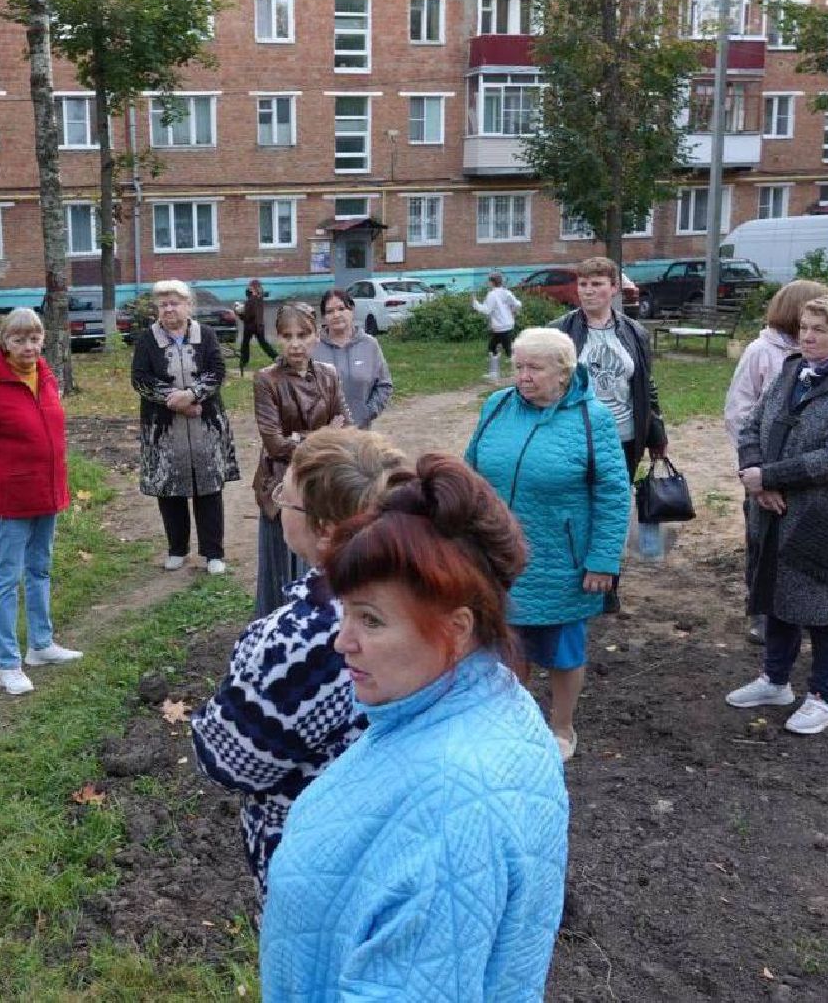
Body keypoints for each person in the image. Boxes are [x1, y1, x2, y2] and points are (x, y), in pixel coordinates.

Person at [260, 454, 567, 1000]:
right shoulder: (481, 704)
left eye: (371, 620)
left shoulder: (453, 798)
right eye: (346, 613)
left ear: (457, 629)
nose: (342, 641)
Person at [191, 428, 409, 900]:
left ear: (327, 527)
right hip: (397, 841)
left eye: (284, 498)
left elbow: (226, 759)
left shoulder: (307, 638)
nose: (275, 503)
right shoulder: (418, 591)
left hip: (317, 862)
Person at [466, 327, 629, 761]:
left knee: (562, 650)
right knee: (504, 644)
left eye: (534, 368)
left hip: (562, 560)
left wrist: (602, 559)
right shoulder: (496, 406)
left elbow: (613, 492)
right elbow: (470, 473)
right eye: (518, 366)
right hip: (497, 558)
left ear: (563, 372)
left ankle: (561, 727)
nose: (523, 376)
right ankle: (512, 723)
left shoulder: (593, 420)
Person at [729, 293, 828, 734]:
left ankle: (823, 696)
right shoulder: (792, 369)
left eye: (819, 330)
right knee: (776, 595)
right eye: (804, 327)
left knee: (825, 605)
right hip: (771, 507)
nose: (807, 336)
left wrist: (772, 475)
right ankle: (775, 679)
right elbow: (752, 425)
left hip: (822, 514)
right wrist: (758, 477)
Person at [0, 308, 79, 696]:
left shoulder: (46, 378)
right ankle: (7, 663)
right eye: (19, 339)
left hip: (47, 493)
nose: (28, 346)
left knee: (40, 570)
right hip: (11, 500)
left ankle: (41, 645)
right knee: (6, 580)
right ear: (4, 342)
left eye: (34, 338)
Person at [724, 279, 828, 644]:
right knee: (761, 543)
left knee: (797, 542)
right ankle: (760, 612)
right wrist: (758, 473)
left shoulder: (818, 356)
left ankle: (793, 610)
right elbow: (739, 413)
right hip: (762, 469)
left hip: (800, 472)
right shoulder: (762, 352)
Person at [131, 279, 241, 578]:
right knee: (170, 489)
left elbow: (217, 371)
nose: (169, 308)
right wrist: (174, 401)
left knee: (208, 488)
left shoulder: (205, 335)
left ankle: (213, 553)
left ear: (188, 305)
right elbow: (140, 378)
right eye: (163, 303)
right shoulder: (147, 339)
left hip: (205, 424)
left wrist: (192, 394)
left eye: (174, 302)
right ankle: (177, 549)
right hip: (163, 428)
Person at [252, 302, 351, 618]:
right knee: (283, 567)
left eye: (303, 335)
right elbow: (273, 442)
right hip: (281, 484)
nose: (295, 344)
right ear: (277, 338)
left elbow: (347, 426)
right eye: (286, 336)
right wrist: (324, 436)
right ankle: (280, 629)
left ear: (316, 337)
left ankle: (315, 626)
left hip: (320, 482)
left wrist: (301, 438)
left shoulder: (329, 375)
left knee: (320, 556)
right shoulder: (267, 380)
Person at [552, 255, 667, 480]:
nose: (588, 291)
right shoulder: (559, 332)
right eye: (583, 284)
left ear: (614, 288)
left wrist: (657, 434)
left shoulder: (636, 333)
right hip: (576, 437)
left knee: (616, 503)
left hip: (624, 437)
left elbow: (646, 385)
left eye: (596, 284)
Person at [311, 288, 393, 429]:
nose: (336, 315)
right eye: (330, 311)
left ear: (352, 309)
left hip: (360, 432)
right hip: (323, 435)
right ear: (324, 317)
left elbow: (384, 386)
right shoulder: (313, 347)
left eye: (341, 308)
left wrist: (366, 413)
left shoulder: (370, 345)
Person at [472, 271, 523, 381]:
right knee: (499, 347)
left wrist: (475, 303)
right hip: (508, 324)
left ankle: (515, 374)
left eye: (489, 281)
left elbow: (487, 310)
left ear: (492, 282)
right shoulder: (506, 292)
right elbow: (517, 304)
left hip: (499, 326)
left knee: (502, 349)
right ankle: (496, 374)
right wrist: (514, 311)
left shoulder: (492, 295)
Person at [240, 278, 279, 374]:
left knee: (245, 344)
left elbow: (248, 315)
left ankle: (244, 361)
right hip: (259, 325)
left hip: (250, 326)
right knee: (263, 343)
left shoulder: (251, 300)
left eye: (249, 287)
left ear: (252, 288)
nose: (248, 288)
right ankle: (276, 356)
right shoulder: (259, 298)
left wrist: (240, 314)